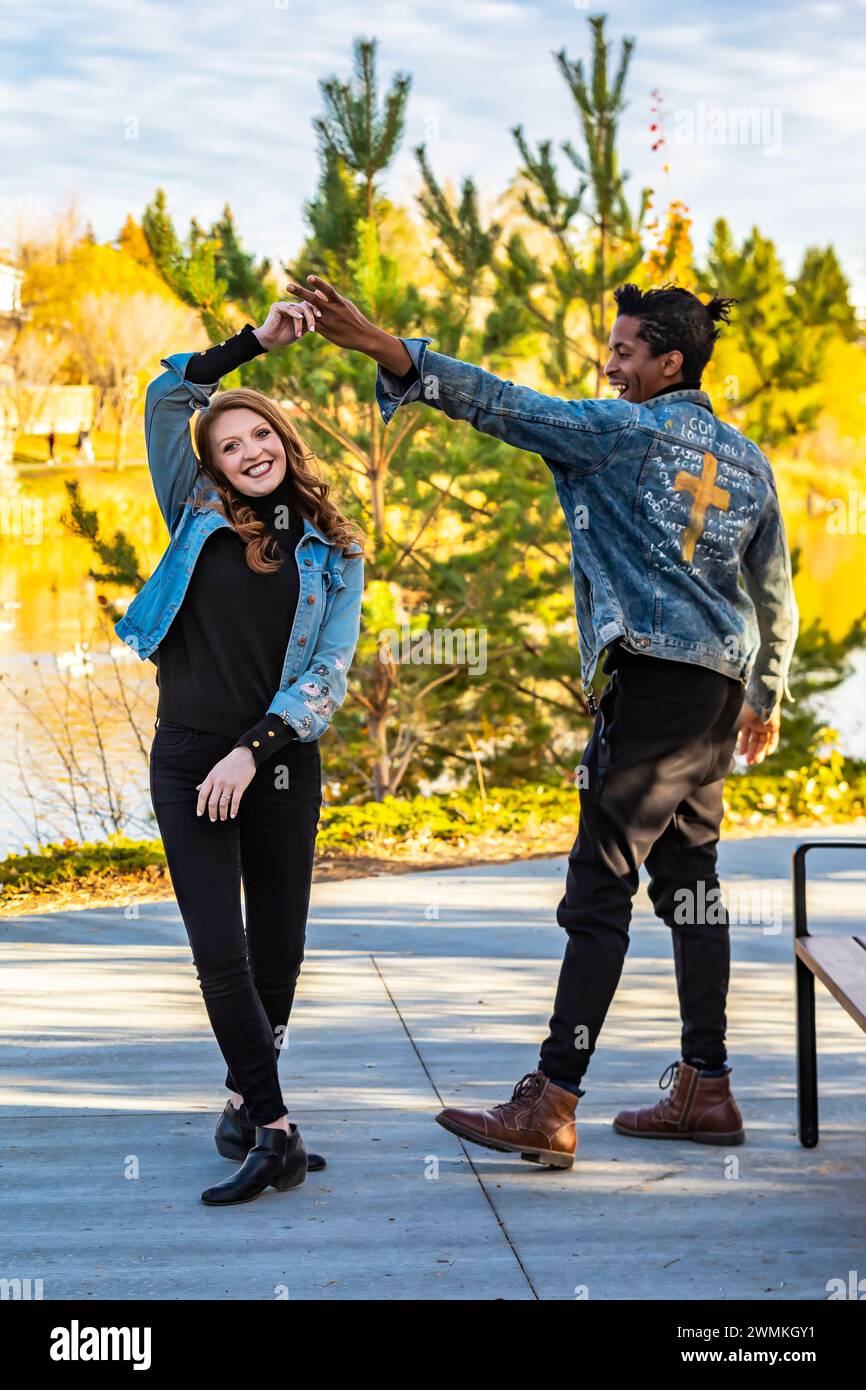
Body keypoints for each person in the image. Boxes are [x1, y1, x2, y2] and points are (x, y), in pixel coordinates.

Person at [288, 273, 797, 1170]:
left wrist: (385, 348)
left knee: (597, 893)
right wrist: (765, 696)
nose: (609, 365)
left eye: (625, 351)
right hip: (716, 697)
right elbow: (775, 595)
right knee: (689, 885)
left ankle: (553, 1100)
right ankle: (706, 1088)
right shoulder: (750, 461)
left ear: (668, 362)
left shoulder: (620, 435)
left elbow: (503, 404)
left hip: (650, 689)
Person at [114, 300, 365, 1204]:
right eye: (228, 443)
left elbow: (328, 676)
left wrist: (254, 752)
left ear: (284, 443)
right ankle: (277, 1130)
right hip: (187, 757)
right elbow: (167, 392)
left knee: (279, 955)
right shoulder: (193, 510)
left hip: (279, 765)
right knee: (220, 950)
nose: (247, 450)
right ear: (211, 463)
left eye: (260, 434)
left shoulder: (335, 548)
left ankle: (243, 1108)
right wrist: (254, 344)